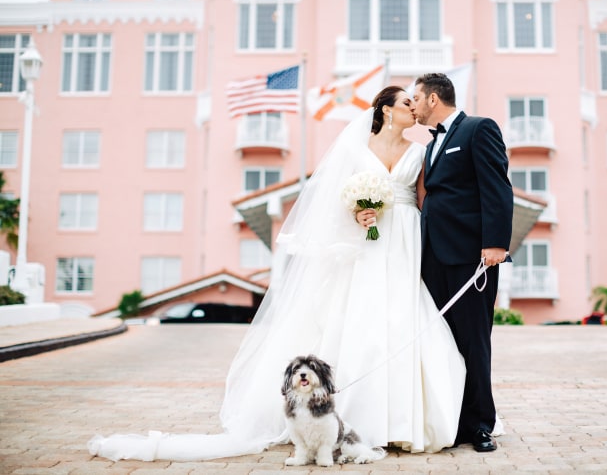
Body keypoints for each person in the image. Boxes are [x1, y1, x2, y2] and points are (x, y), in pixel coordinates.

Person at [88, 86, 466, 462]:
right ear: (384, 110)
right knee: (359, 320)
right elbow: (334, 199)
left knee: (402, 315)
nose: (414, 109)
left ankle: (405, 421)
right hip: (365, 244)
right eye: (405, 103)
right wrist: (357, 213)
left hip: (403, 240)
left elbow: (422, 200)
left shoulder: (421, 152)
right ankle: (354, 420)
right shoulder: (353, 149)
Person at [413, 73, 513, 453]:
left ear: (434, 99)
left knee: (474, 342)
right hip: (432, 257)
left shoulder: (478, 129)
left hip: (471, 257)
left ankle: (480, 425)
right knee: (443, 342)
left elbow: (497, 187)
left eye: (417, 99)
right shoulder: (430, 145)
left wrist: (495, 245)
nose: (414, 105)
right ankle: (451, 421)